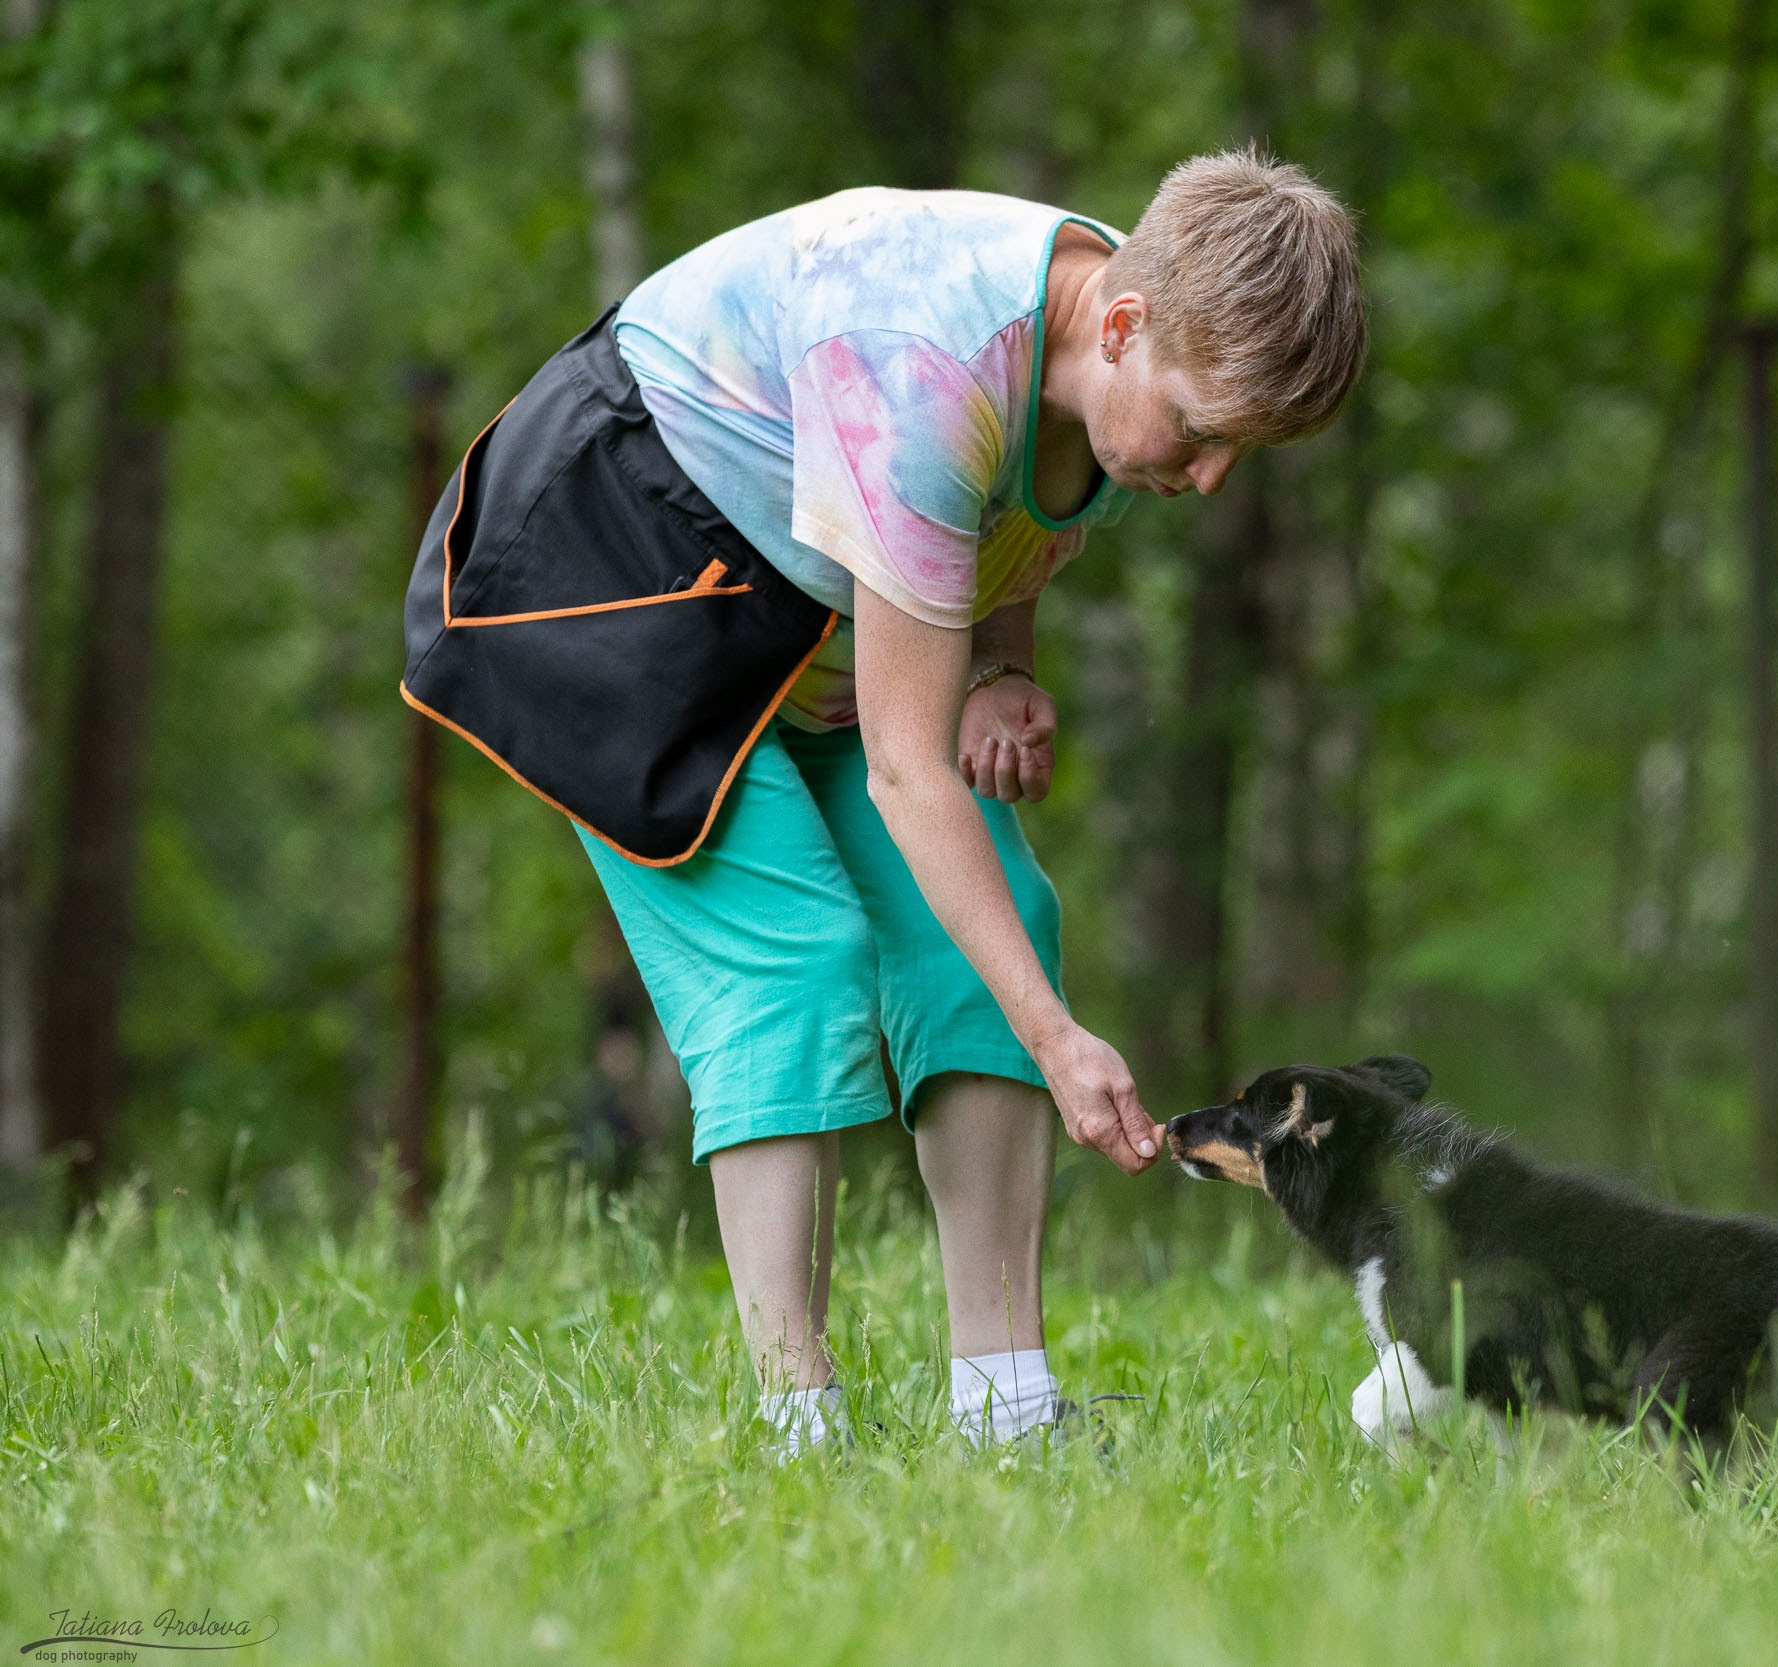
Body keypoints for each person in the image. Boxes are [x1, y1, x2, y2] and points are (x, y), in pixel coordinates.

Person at [399, 150, 1367, 1452]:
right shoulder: (927, 374)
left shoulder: (1110, 333)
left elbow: (1019, 494)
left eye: (1237, 451)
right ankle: (801, 1435)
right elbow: (914, 773)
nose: (1206, 482)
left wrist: (1004, 664)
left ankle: (1006, 1414)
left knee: (997, 915)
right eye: (1200, 435)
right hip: (612, 570)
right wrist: (1059, 1038)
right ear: (1126, 326)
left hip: (804, 601)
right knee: (797, 961)